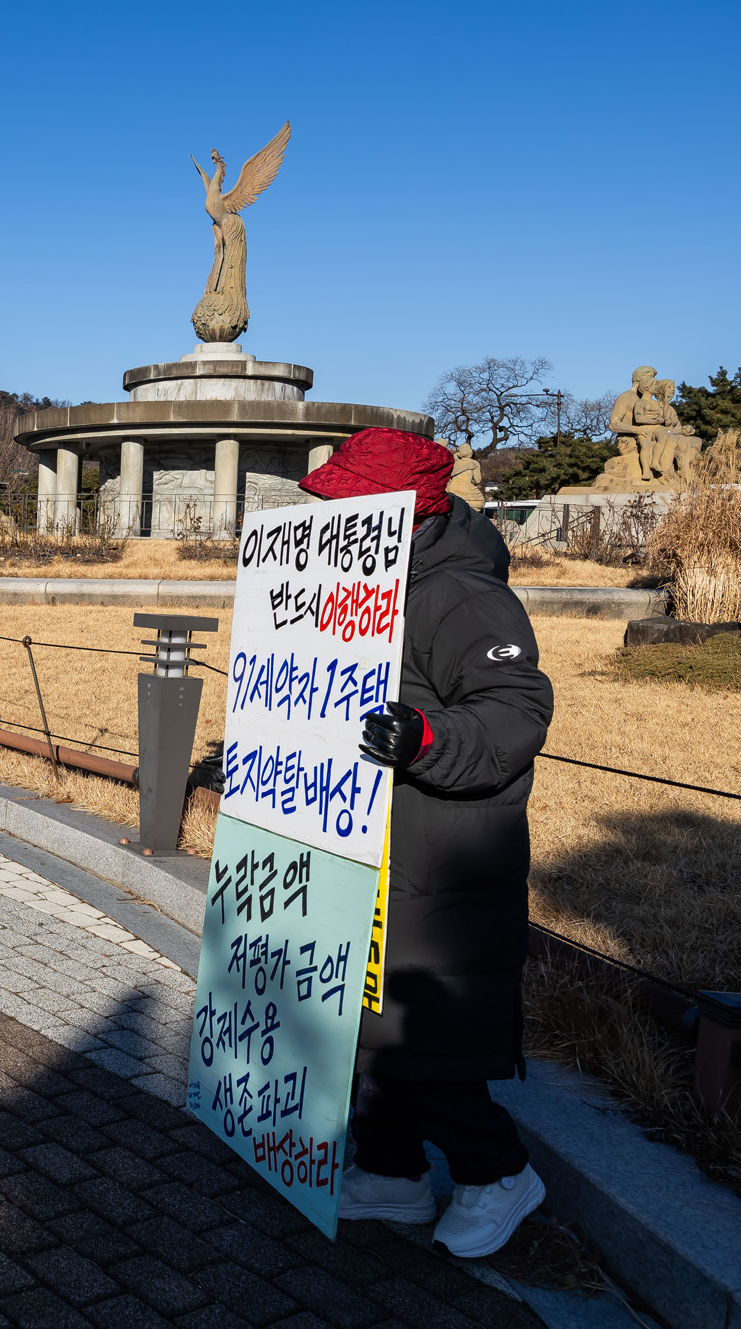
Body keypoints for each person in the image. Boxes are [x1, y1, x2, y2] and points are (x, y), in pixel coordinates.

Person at [299, 427, 554, 1259]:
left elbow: (517, 710)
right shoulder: (358, 578)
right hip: (367, 838)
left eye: (348, 507)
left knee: (422, 1034)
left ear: (402, 515)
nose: (330, 522)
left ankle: (498, 1171)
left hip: (438, 851)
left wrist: (428, 739)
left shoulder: (460, 594)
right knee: (366, 1023)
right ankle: (392, 1172)